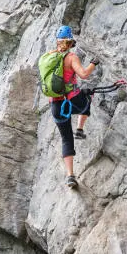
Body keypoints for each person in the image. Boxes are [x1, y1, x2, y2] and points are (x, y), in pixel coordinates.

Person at [49, 25, 98, 188]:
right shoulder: (71, 57)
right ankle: (80, 129)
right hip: (72, 100)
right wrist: (93, 63)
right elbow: (84, 74)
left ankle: (70, 176)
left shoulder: (48, 57)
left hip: (56, 104)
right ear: (70, 42)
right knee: (87, 99)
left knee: (66, 139)